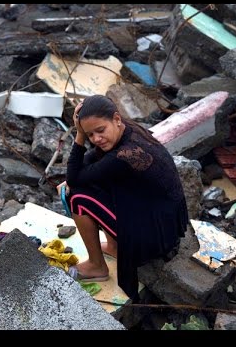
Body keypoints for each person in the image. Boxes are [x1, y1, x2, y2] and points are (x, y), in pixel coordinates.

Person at [57, 95, 189, 301]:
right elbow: (90, 164)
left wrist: (79, 136)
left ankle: (97, 266)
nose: (96, 139)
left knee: (76, 197)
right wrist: (84, 135)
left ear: (116, 119)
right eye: (90, 135)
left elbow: (74, 178)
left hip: (153, 237)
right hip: (163, 222)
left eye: (100, 131)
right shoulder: (130, 130)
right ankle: (113, 246)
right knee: (94, 180)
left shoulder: (125, 155)